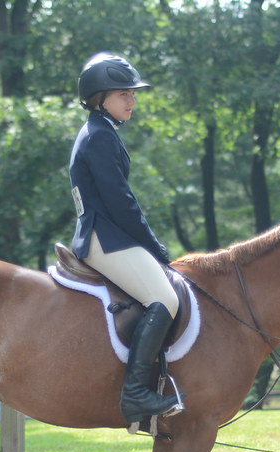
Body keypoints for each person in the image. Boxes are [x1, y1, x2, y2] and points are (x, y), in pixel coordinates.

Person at [69, 52, 183, 427]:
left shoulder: (101, 131)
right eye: (124, 94)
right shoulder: (99, 136)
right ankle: (135, 394)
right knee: (164, 297)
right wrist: (154, 245)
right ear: (99, 98)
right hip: (105, 235)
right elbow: (121, 202)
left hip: (109, 232)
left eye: (133, 94)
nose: (132, 101)